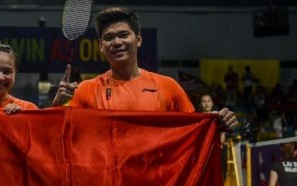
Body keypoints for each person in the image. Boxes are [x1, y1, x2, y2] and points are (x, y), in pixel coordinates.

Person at [52, 7, 238, 130]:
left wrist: (215, 123)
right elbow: (60, 133)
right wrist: (57, 106)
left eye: (124, 35)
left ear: (138, 39)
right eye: (108, 38)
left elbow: (192, 130)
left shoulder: (168, 87)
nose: (117, 42)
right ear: (101, 46)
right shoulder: (85, 90)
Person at [199, 94, 227, 180]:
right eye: (204, 101)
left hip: (217, 149)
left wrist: (220, 142)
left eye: (209, 101)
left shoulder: (218, 117)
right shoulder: (198, 118)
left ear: (212, 103)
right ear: (200, 104)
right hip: (203, 150)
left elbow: (222, 133)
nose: (206, 104)